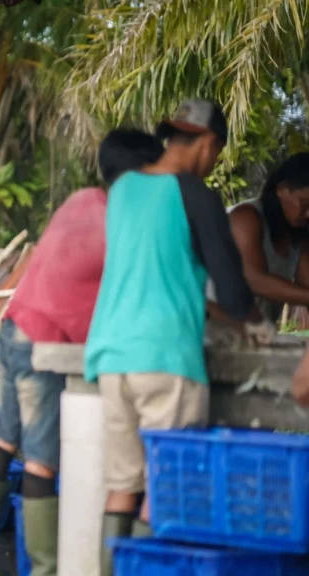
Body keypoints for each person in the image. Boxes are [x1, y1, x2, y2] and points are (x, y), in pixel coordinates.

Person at [0, 128, 166, 576]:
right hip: (45, 344)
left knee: (4, 440)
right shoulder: (125, 221)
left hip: (14, 327)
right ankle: (47, 567)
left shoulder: (82, 201)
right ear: (144, 174)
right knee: (43, 457)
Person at [84, 101, 256, 575]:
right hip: (164, 357)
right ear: (208, 144)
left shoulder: (122, 190)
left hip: (112, 355)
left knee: (123, 484)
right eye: (216, 151)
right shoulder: (193, 193)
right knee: (165, 486)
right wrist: (249, 320)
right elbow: (236, 292)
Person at [212, 153, 309, 322]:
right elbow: (254, 280)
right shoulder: (245, 217)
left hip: (254, 339)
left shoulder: (298, 240)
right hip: (210, 334)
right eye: (306, 203)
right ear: (282, 189)